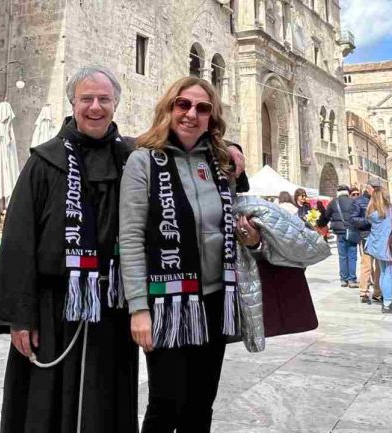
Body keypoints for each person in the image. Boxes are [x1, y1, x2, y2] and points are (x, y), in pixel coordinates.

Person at [0, 66, 246, 433]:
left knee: (108, 398)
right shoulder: (44, 161)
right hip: (56, 306)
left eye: (104, 99)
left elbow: (187, 147)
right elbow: (19, 242)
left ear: (116, 104)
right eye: (86, 99)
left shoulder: (133, 156)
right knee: (49, 401)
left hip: (113, 306)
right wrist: (20, 316)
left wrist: (230, 148)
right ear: (72, 103)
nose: (95, 107)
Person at [120, 76, 257, 433]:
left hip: (215, 299)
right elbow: (131, 237)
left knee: (201, 404)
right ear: (169, 108)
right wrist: (138, 308)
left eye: (202, 108)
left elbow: (233, 225)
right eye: (183, 104)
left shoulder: (222, 163)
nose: (191, 114)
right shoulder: (143, 161)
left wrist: (251, 237)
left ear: (212, 117)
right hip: (167, 301)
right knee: (165, 403)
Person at [365, 186, 392, 314]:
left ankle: (386, 300)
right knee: (389, 274)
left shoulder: (371, 212)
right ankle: (387, 304)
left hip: (376, 246)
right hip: (390, 247)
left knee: (384, 273)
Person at [350, 181, 382, 304]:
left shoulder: (381, 200)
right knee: (366, 266)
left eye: (377, 188)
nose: (375, 190)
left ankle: (378, 292)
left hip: (379, 237)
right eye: (373, 187)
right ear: (367, 187)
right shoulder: (359, 201)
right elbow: (353, 219)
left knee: (379, 267)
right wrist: (369, 221)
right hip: (366, 236)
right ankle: (363, 292)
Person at [320, 184, 358, 288]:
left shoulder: (333, 202)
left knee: (342, 256)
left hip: (340, 233)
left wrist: (321, 224)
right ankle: (352, 279)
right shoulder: (353, 202)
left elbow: (326, 216)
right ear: (348, 192)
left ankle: (343, 280)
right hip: (351, 232)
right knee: (352, 256)